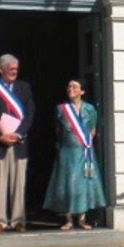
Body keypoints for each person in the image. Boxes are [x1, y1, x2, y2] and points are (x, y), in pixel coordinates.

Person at [0, 54, 35, 234]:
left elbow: (30, 113)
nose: (14, 71)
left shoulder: (24, 88)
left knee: (19, 184)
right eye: (10, 68)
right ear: (0, 69)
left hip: (19, 143)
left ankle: (18, 220)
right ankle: (0, 221)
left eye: (16, 69)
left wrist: (19, 133)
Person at [43, 79, 107, 231]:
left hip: (84, 151)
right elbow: (58, 130)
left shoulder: (90, 109)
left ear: (82, 91)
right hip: (67, 151)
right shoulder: (61, 109)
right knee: (68, 184)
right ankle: (68, 219)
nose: (70, 88)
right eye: (69, 86)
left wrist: (86, 143)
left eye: (75, 86)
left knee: (84, 184)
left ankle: (82, 219)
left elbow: (92, 130)